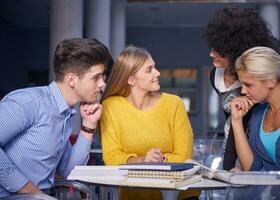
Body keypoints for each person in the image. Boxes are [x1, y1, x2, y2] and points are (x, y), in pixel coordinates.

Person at [0, 38, 109, 198]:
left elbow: (70, 171)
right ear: (71, 79)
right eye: (96, 78)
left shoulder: (64, 114)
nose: (102, 85)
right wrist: (29, 190)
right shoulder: (29, 102)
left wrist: (88, 126)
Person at [100, 46, 196, 200]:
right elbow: (112, 158)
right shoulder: (110, 106)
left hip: (179, 193)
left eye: (155, 67)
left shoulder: (174, 103)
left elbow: (185, 157)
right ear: (131, 80)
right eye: (149, 69)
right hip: (135, 194)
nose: (157, 73)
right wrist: (143, 159)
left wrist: (159, 160)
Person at [203, 7, 280, 170]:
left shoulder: (252, 85)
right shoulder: (215, 76)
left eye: (220, 52)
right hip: (232, 141)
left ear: (236, 53)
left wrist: (229, 166)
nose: (212, 54)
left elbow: (241, 122)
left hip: (253, 149)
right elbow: (231, 119)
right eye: (212, 48)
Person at [231, 46, 280, 171]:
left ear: (271, 81)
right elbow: (252, 168)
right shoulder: (258, 113)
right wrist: (236, 121)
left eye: (248, 84)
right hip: (274, 191)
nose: (243, 90)